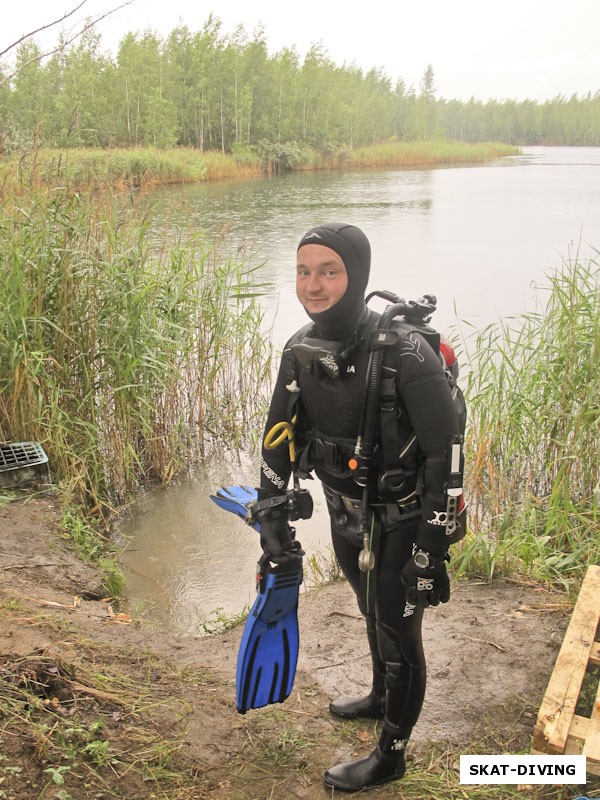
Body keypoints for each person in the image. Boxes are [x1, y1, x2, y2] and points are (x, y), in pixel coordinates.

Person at [255, 222, 466, 792]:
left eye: (329, 271)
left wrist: (431, 549)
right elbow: (278, 434)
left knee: (399, 632)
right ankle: (380, 696)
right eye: (304, 271)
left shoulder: (406, 354)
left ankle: (392, 755)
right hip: (345, 512)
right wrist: (269, 512)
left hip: (401, 520)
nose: (314, 285)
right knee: (369, 606)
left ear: (357, 276)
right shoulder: (301, 348)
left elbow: (447, 459)